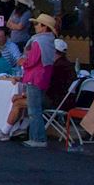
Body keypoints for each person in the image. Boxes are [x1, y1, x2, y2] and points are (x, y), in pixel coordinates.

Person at [19, 15, 58, 148]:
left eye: (38, 24)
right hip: (43, 77)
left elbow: (32, 60)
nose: (35, 26)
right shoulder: (50, 41)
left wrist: (23, 62)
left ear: (44, 27)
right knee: (36, 109)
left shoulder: (38, 42)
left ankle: (38, 138)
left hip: (34, 77)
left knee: (33, 110)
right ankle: (36, 137)